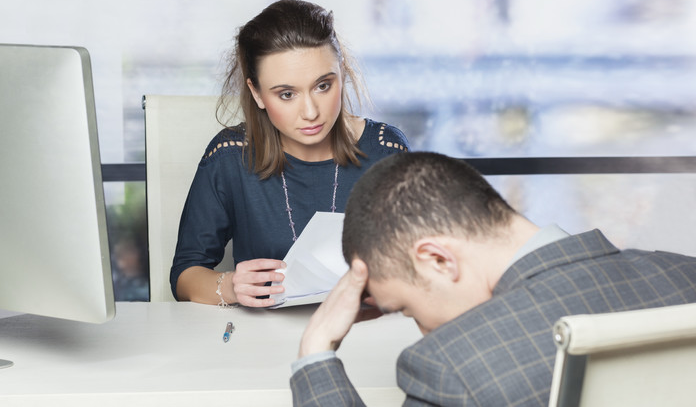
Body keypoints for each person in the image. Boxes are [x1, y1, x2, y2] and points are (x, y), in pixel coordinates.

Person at [290, 152, 696, 406]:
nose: (425, 333)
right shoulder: (684, 274)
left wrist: (316, 355)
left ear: (437, 259)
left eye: (407, 309)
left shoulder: (453, 368)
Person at [171, 0, 410, 307]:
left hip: (364, 330)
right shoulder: (230, 156)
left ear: (343, 74)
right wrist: (231, 286)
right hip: (262, 340)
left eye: (323, 86)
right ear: (256, 93)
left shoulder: (385, 151)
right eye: (286, 94)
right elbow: (184, 275)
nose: (310, 112)